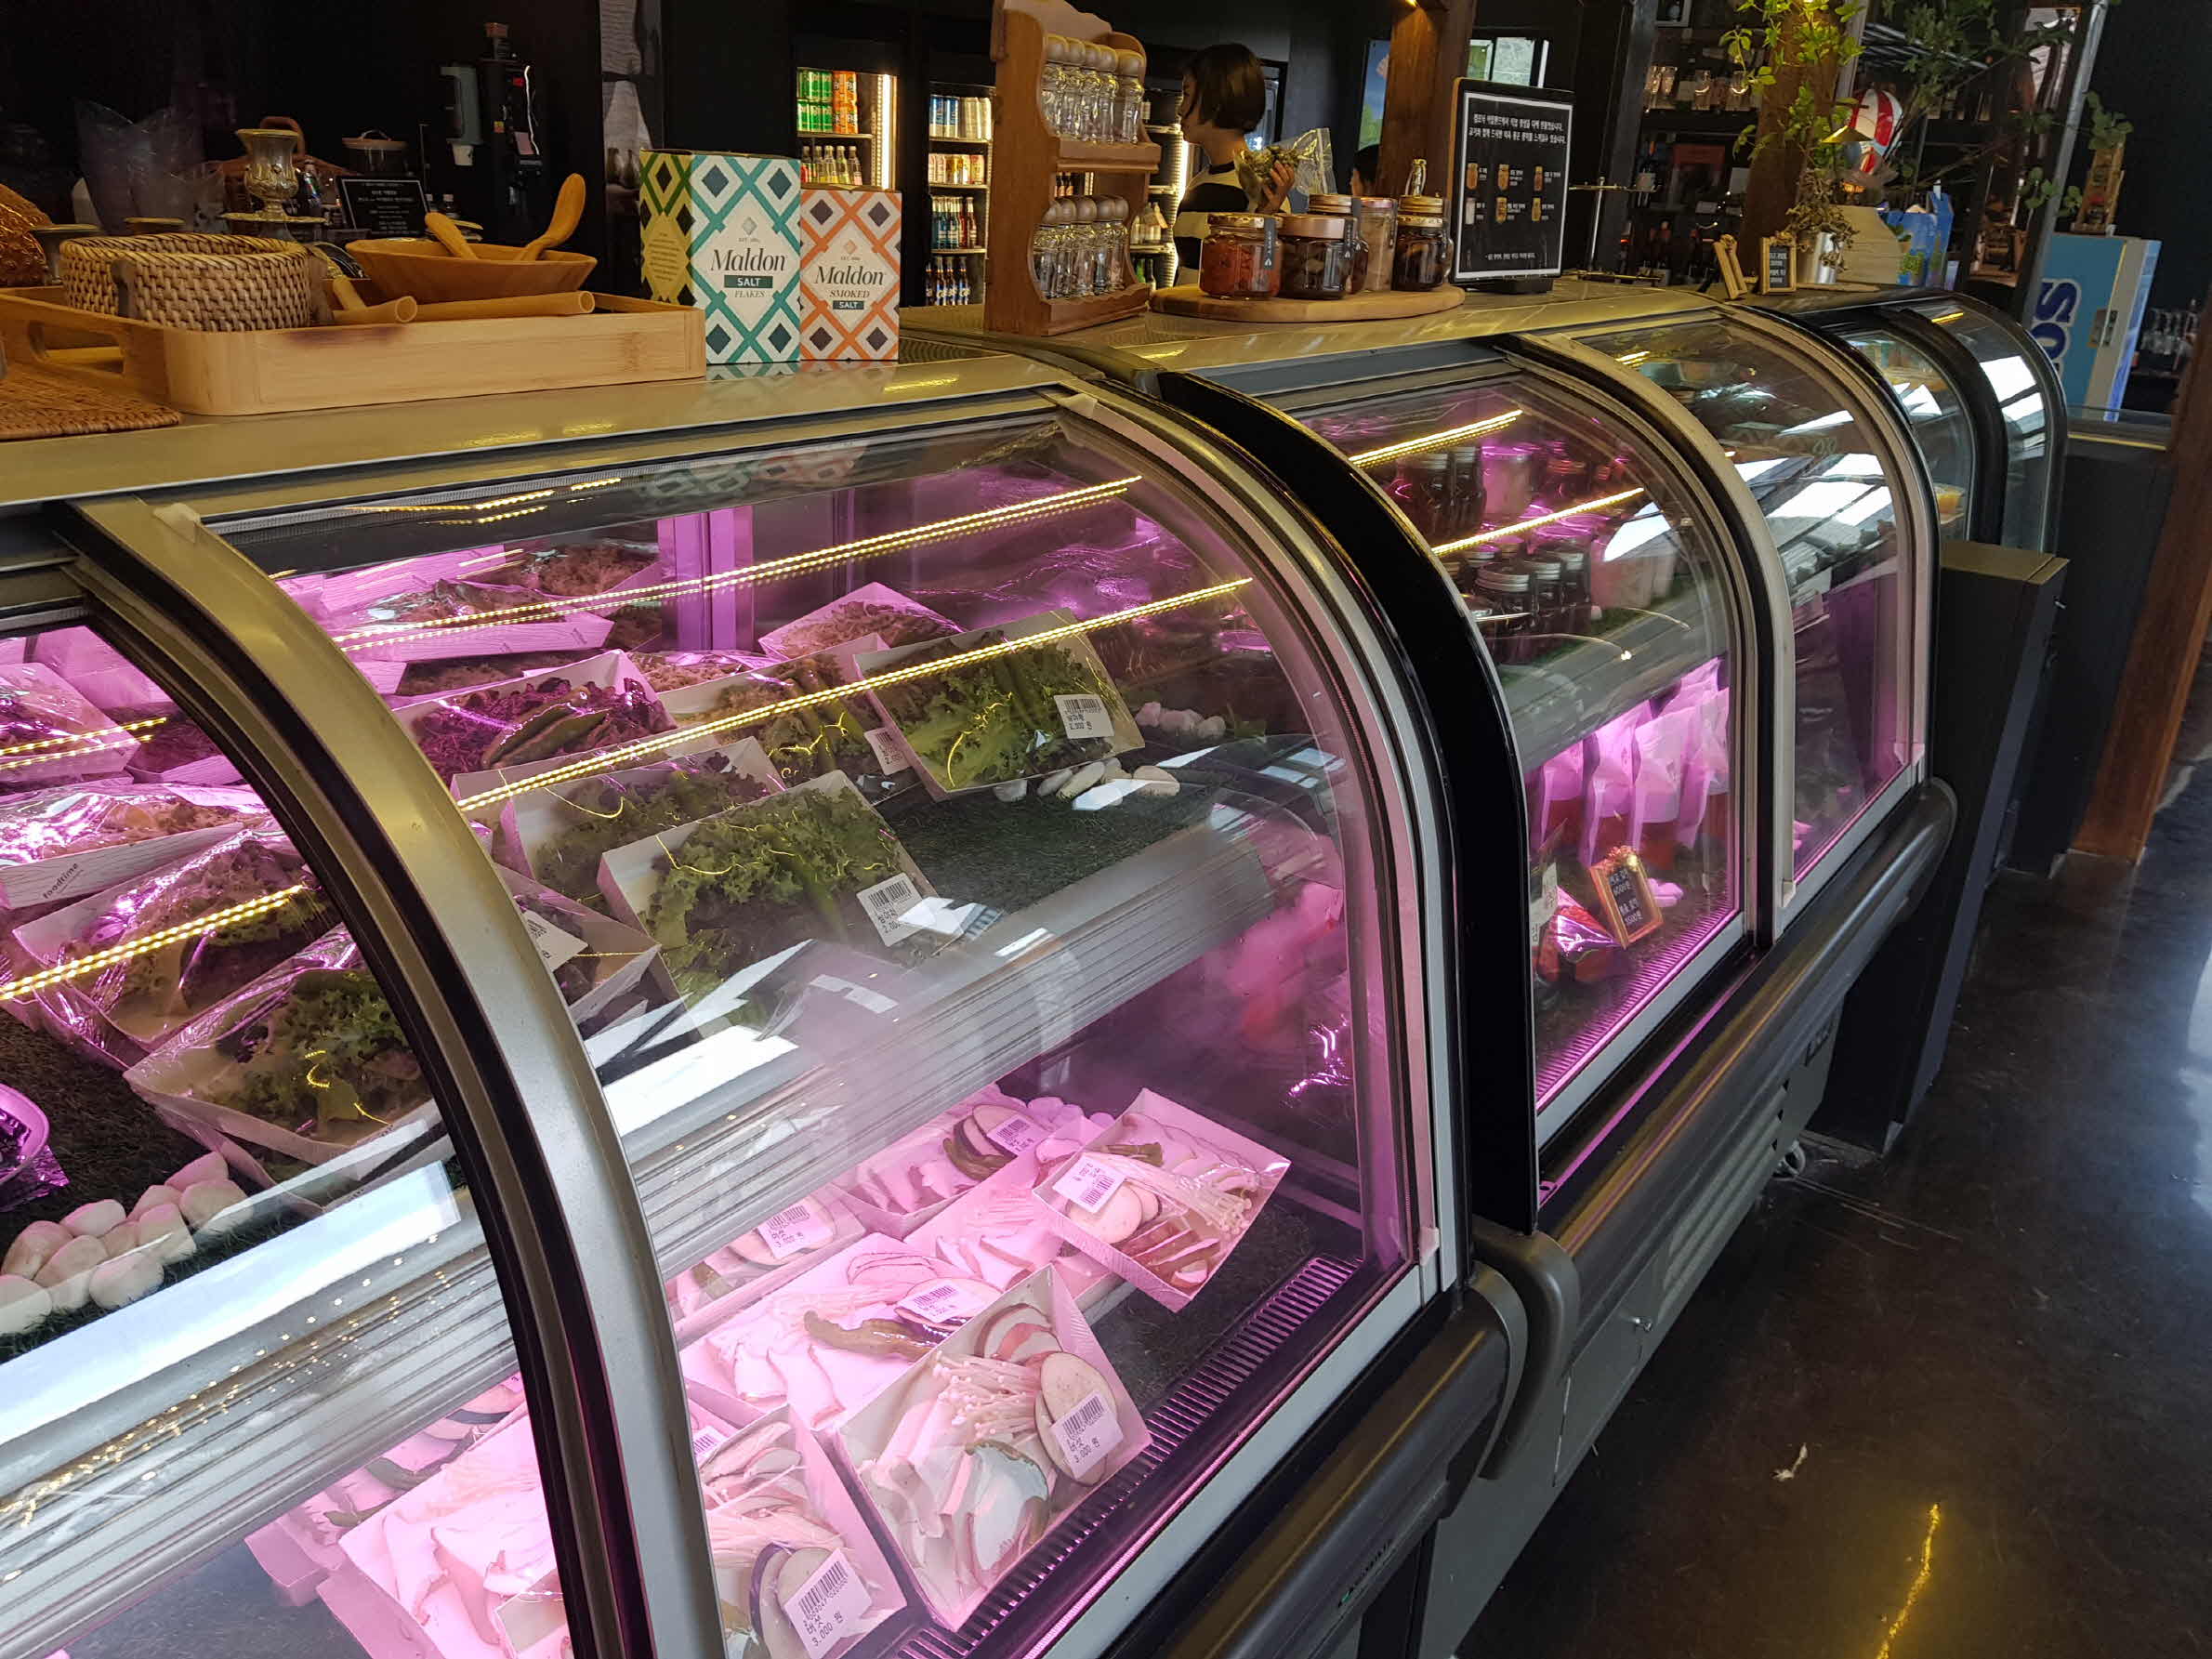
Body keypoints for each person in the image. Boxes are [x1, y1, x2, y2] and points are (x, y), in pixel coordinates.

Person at [1172, 44, 1297, 271]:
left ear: (1216, 102)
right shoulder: (1202, 180)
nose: (1180, 110)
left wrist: (1266, 217)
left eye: (1187, 94)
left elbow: (1266, 273)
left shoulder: (1261, 188)